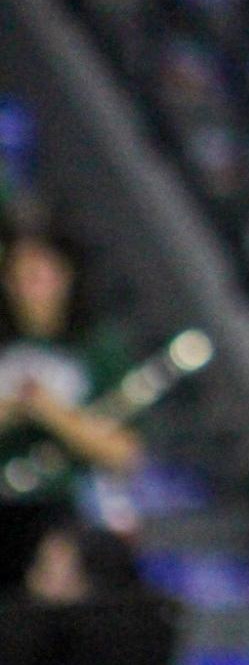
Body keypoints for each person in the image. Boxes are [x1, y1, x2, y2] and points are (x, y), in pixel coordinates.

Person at [0, 223, 144, 587]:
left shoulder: (94, 348)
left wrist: (51, 413)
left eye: (37, 275)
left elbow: (124, 452)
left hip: (64, 509)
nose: (26, 288)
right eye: (16, 276)